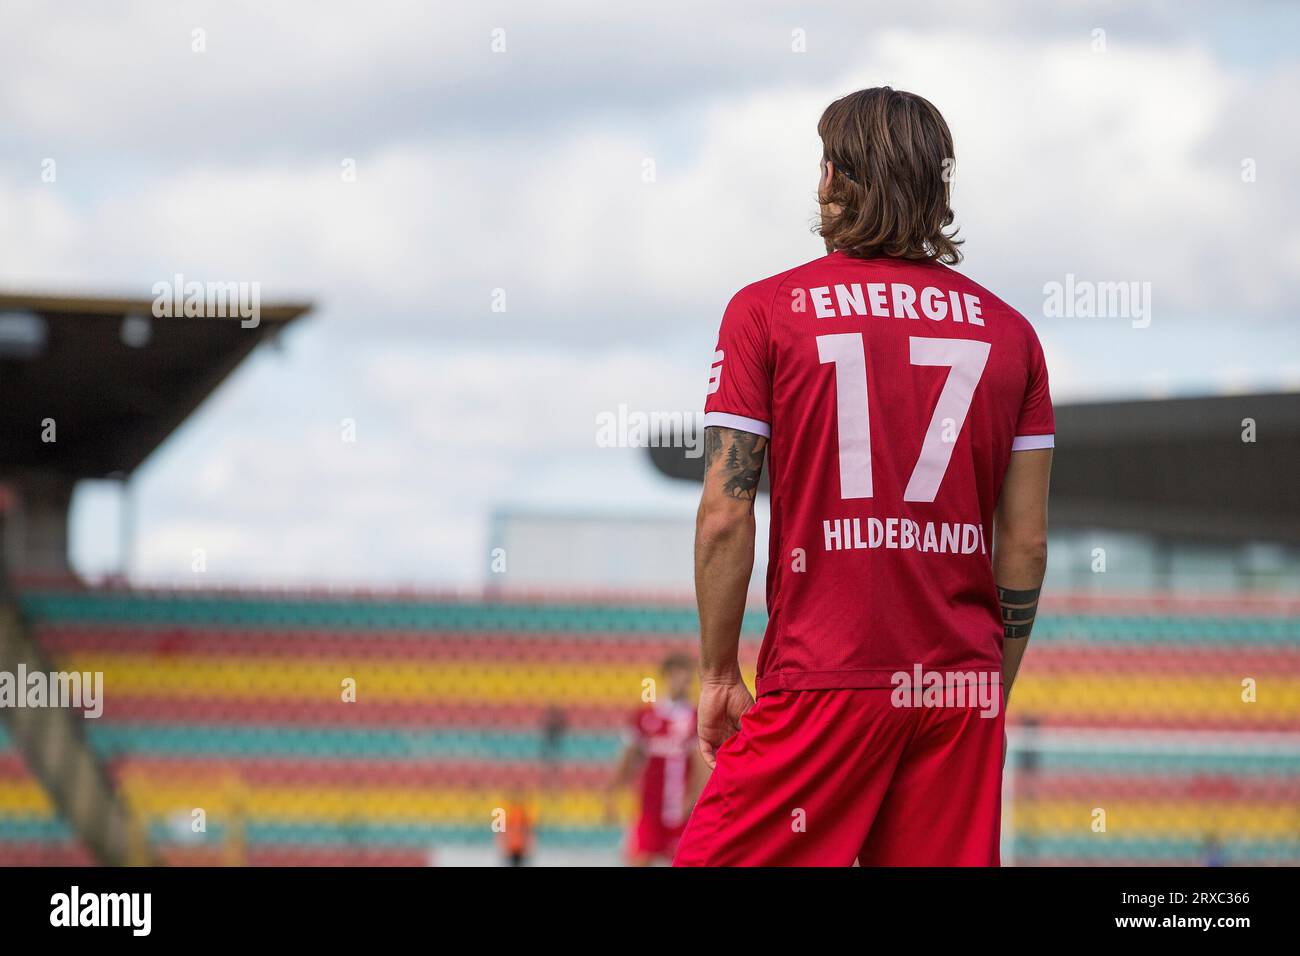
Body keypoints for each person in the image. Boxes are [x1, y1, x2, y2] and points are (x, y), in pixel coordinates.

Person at [674, 87, 1053, 866]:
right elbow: (1025, 545)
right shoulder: (1014, 337)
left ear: (835, 180)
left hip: (824, 679)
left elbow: (724, 511)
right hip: (957, 690)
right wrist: (988, 688)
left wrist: (716, 673)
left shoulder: (765, 311)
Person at [606, 653, 706, 865]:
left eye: (688, 677)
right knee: (638, 860)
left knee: (686, 861)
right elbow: (629, 758)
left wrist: (692, 799)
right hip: (649, 809)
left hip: (679, 811)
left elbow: (700, 765)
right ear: (667, 676)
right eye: (679, 675)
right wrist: (613, 793)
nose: (685, 682)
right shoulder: (646, 715)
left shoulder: (694, 717)